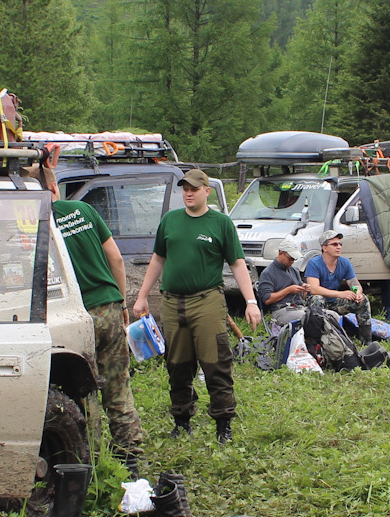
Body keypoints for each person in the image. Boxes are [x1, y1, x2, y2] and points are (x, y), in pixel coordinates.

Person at [132, 170, 261, 443]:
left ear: (206, 191)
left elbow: (237, 263)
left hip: (207, 301)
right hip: (171, 303)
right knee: (177, 365)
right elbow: (158, 259)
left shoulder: (221, 223)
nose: (188, 193)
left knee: (216, 363)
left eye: (193, 188)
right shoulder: (170, 221)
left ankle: (223, 424)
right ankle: (181, 420)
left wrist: (251, 302)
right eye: (184, 188)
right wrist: (142, 296)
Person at [38, 148, 143, 476]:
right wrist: (122, 302)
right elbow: (116, 259)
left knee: (81, 393)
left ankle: (89, 465)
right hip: (108, 308)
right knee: (118, 387)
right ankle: (132, 461)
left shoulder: (33, 225)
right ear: (55, 188)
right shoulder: (83, 210)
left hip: (69, 318)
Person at [304, 231, 372, 344]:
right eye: (334, 244)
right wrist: (340, 294)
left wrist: (358, 293)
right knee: (318, 299)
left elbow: (354, 283)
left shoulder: (345, 262)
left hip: (334, 303)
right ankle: (317, 339)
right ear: (324, 248)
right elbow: (313, 289)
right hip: (316, 305)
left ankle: (366, 340)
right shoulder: (314, 263)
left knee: (363, 299)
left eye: (340, 244)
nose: (339, 247)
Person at [254, 237, 309, 319]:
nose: (292, 261)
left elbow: (302, 298)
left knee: (329, 315)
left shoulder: (294, 270)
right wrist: (288, 290)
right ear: (281, 253)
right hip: (280, 310)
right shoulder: (268, 273)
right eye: (290, 258)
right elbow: (267, 300)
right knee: (307, 317)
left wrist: (304, 289)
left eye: (294, 259)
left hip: (299, 307)